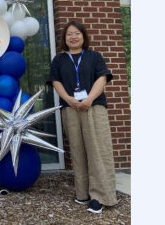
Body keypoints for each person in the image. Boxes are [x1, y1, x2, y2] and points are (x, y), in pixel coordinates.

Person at [46, 21, 117, 214]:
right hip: (71, 107)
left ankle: (100, 196)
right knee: (77, 151)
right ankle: (83, 192)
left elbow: (102, 78)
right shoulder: (59, 60)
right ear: (65, 39)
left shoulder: (94, 56)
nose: (73, 37)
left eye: (77, 33)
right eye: (69, 34)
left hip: (93, 107)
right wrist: (69, 99)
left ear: (83, 37)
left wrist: (89, 99)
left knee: (98, 150)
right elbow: (55, 81)